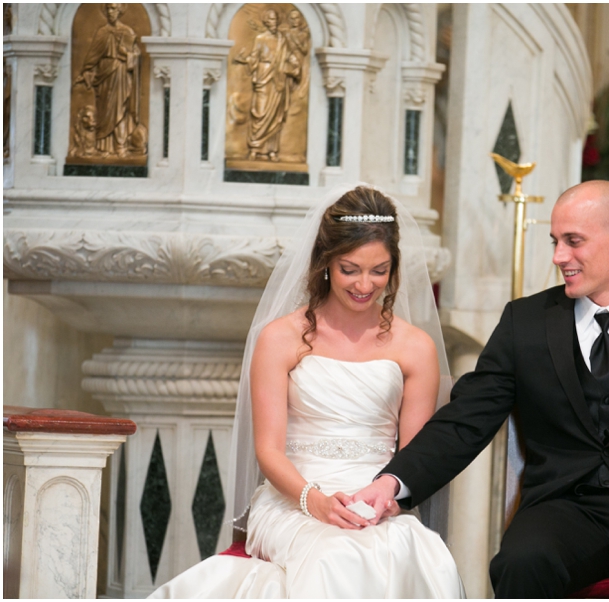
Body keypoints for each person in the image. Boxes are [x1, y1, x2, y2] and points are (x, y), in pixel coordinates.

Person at [354, 180, 609, 598]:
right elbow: (465, 421)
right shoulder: (526, 323)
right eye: (556, 241)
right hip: (561, 510)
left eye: (574, 242)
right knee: (521, 563)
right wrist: (393, 482)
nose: (559, 257)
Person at [149, 185, 463, 598]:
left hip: (376, 502)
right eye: (350, 269)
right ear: (326, 263)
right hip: (292, 499)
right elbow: (269, 451)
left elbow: (414, 457)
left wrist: (389, 503)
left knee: (423, 553)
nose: (365, 284)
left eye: (379, 270)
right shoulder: (280, 338)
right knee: (334, 557)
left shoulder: (415, 347)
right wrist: (314, 501)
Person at [75, 3, 143, 157]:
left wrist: (125, 54)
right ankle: (104, 148)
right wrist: (86, 71)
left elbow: (136, 57)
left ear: (119, 11)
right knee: (104, 110)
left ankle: (120, 146)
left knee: (120, 109)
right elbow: (92, 57)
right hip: (104, 76)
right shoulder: (102, 32)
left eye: (113, 9)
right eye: (108, 9)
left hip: (121, 74)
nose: (110, 12)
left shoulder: (127, 32)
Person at [235, 9, 298, 162]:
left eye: (275, 19)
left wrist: (294, 64)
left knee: (276, 117)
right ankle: (254, 149)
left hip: (278, 81)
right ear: (265, 21)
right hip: (264, 77)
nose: (274, 22)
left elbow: (290, 56)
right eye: (270, 19)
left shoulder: (283, 40)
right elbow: (254, 57)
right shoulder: (260, 39)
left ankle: (272, 151)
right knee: (260, 114)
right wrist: (244, 60)